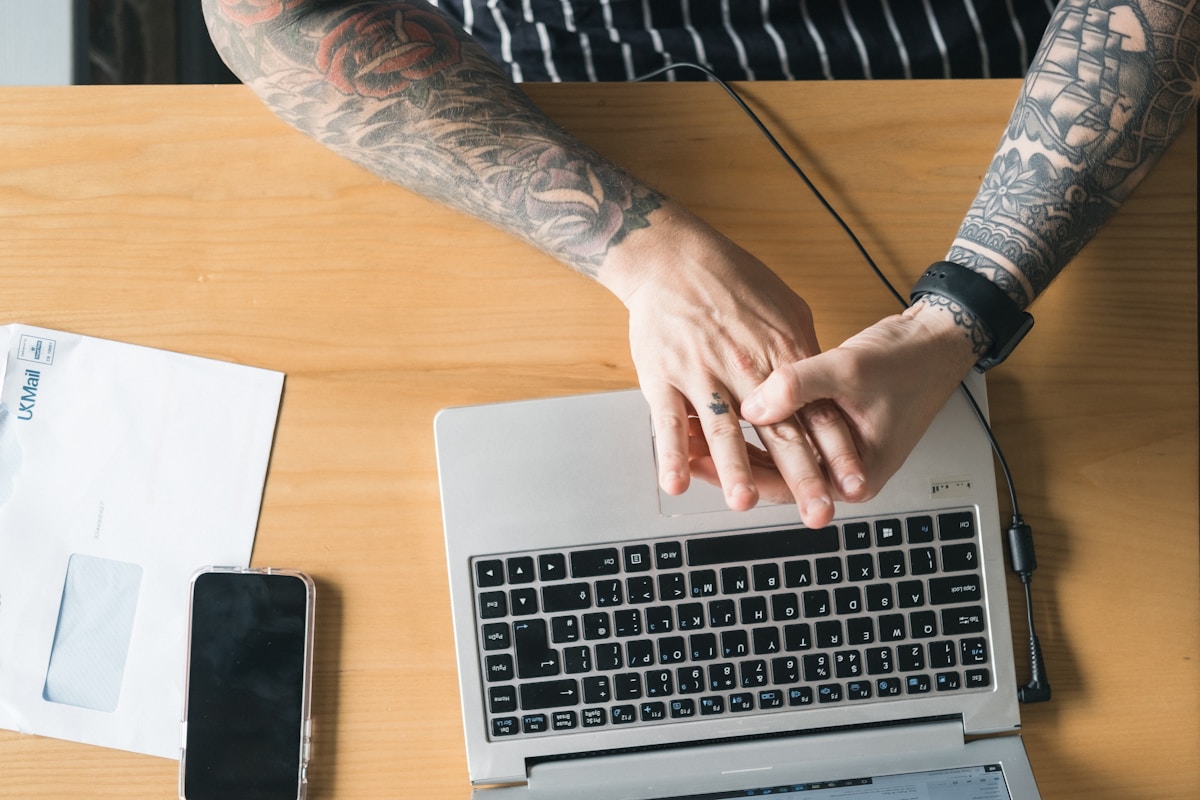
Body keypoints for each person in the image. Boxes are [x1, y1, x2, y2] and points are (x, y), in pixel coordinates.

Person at [201, 0, 1199, 529]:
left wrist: (960, 313)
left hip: (991, 97)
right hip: (568, 113)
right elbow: (272, 15)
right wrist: (642, 250)